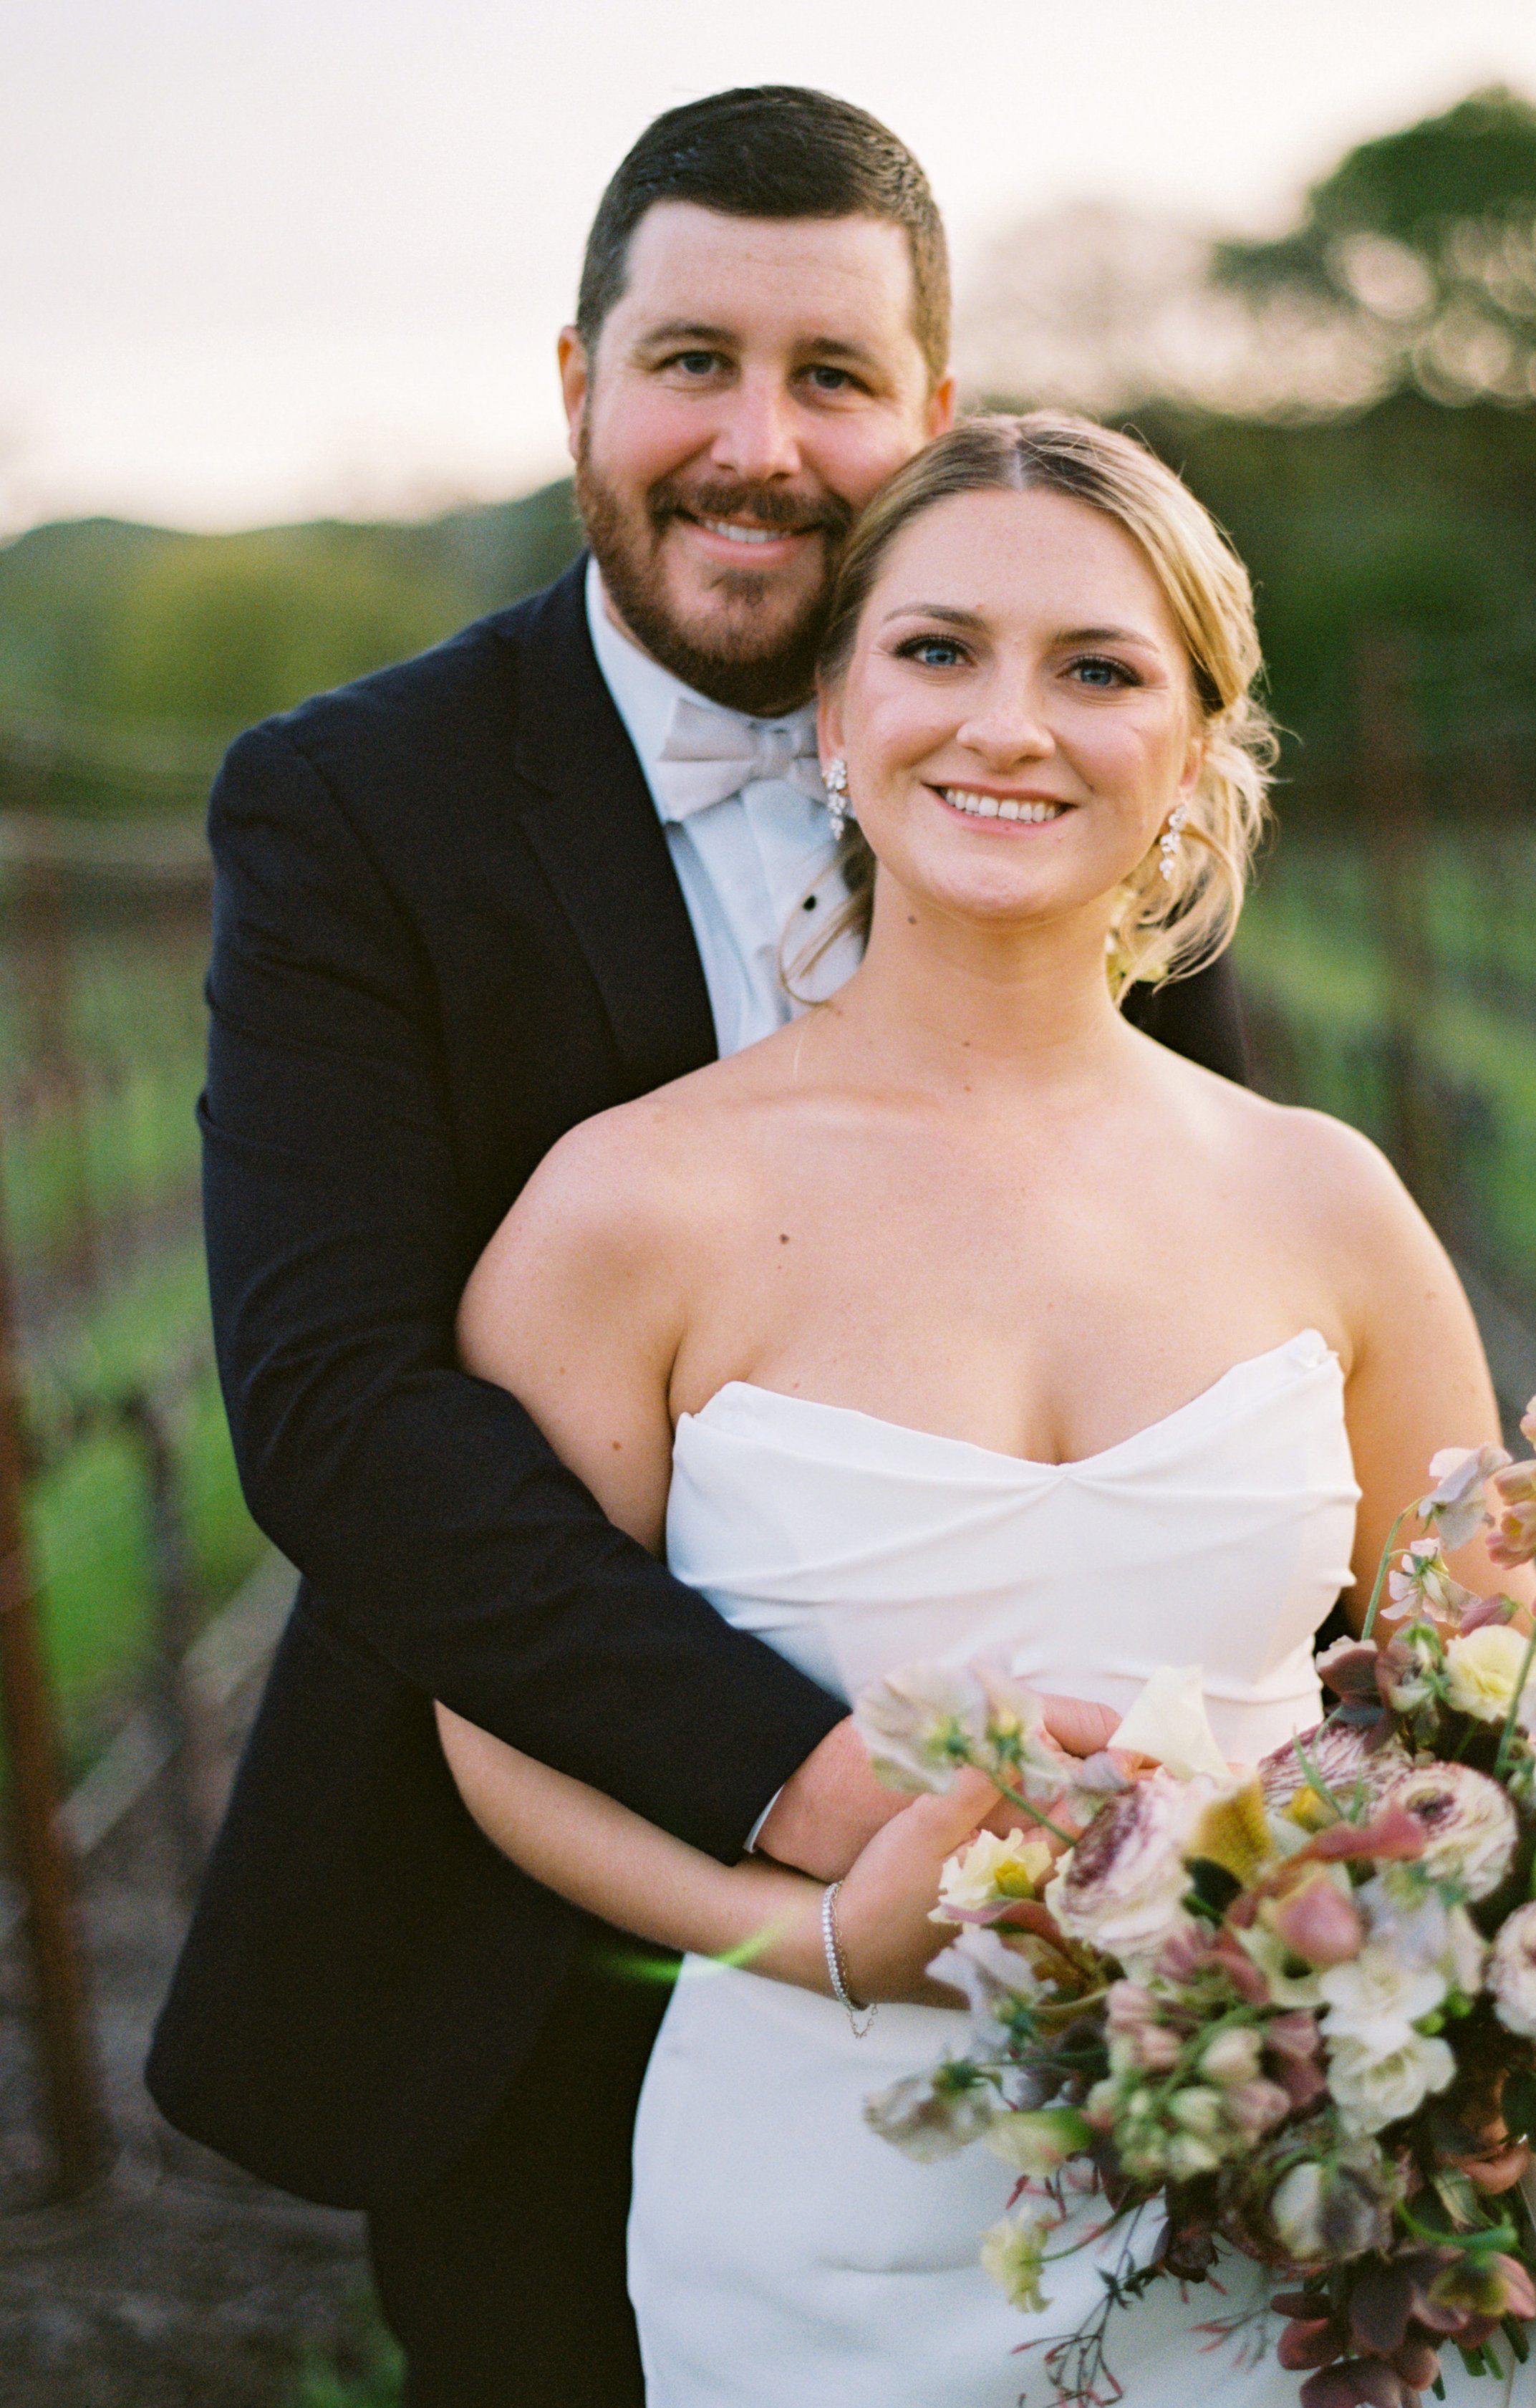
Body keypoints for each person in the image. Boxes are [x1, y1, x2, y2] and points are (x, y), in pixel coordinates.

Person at [145, 87, 1248, 2408]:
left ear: (931, 413)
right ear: (577, 383)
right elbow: (338, 1412)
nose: (756, 443)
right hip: (528, 1965)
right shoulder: (354, 804)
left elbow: (1207, 1265)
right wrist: (819, 1797)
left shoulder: (1057, 771)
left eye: (832, 378)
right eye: (691, 362)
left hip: (1101, 1944)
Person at [435, 413, 1536, 2407]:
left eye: (1097, 669)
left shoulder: (1323, 1196)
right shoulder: (623, 1206)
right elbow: (498, 1713)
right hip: (824, 2202)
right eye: (935, 651)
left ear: (1191, 753)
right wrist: (829, 1938)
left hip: (1314, 2216)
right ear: (831, 717)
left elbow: (1493, 1693)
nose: (1005, 724)